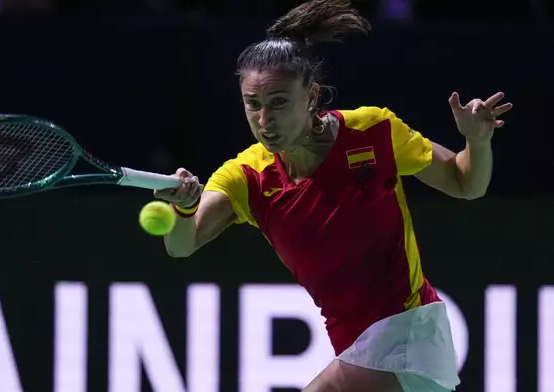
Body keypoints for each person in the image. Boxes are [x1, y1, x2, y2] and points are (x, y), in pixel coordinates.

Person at [154, 0, 513, 391]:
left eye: (278, 103)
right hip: (357, 350)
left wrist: (477, 142)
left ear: (311, 95)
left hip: (409, 334)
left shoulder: (373, 132)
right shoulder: (247, 177)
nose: (264, 120)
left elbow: (466, 184)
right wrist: (184, 208)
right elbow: (181, 245)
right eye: (252, 104)